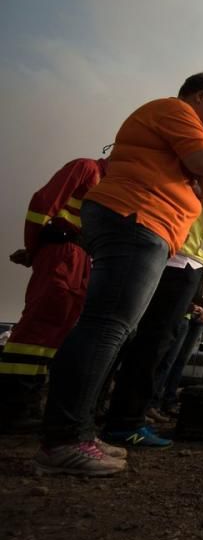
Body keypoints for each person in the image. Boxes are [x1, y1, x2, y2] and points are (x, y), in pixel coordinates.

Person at [35, 72, 203, 476]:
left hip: (142, 222)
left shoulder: (171, 124)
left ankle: (79, 434)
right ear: (199, 96)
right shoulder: (177, 111)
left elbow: (192, 185)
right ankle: (64, 440)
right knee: (107, 326)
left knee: (113, 328)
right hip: (137, 217)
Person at [101, 119, 203, 447]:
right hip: (184, 262)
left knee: (140, 340)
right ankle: (126, 424)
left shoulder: (182, 160)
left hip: (166, 255)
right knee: (154, 344)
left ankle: (116, 416)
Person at [0, 154, 107, 432]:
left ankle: (26, 403)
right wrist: (35, 249)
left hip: (78, 259)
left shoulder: (108, 185)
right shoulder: (87, 168)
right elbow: (42, 204)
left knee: (54, 331)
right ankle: (11, 406)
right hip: (63, 253)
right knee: (37, 326)